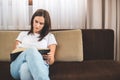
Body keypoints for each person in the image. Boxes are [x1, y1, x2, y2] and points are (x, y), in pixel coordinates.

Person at [10, 9, 57, 80]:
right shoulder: (22, 34)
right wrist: (30, 52)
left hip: (40, 67)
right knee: (31, 50)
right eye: (36, 21)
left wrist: (50, 57)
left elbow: (51, 61)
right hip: (16, 67)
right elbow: (15, 54)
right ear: (32, 20)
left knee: (25, 68)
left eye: (41, 23)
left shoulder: (50, 36)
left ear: (45, 25)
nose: (37, 25)